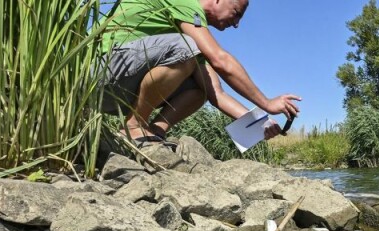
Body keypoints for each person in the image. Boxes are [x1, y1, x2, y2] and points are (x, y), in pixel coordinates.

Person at [97, 0, 300, 147]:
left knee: (201, 86)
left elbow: (217, 94)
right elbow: (220, 60)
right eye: (237, 12)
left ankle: (155, 131)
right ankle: (134, 126)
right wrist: (267, 103)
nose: (237, 24)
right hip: (99, 75)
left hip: (119, 87)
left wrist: (260, 125)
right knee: (186, 48)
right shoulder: (186, 4)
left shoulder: (187, 40)